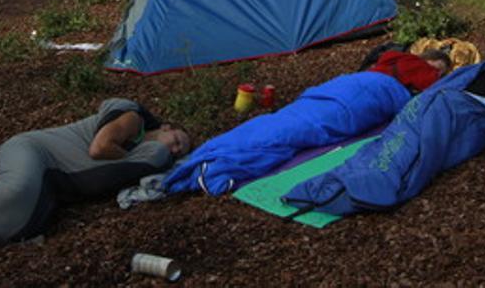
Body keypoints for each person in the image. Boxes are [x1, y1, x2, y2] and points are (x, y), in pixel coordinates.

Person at [0, 98, 190, 260]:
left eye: (179, 151)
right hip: (32, 151)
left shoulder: (145, 153)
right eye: (176, 140)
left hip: (51, 182)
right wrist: (148, 157)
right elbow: (99, 148)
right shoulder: (133, 120)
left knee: (23, 223)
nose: (174, 150)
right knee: (12, 197)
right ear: (165, 126)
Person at [284, 45, 485, 217]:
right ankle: (340, 188)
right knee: (394, 148)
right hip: (430, 106)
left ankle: (340, 188)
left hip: (437, 107)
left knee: (395, 151)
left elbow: (471, 113)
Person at [163, 46, 450, 196]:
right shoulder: (420, 68)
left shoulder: (390, 57)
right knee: (300, 130)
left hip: (340, 87)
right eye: (438, 67)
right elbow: (435, 94)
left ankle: (214, 151)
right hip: (361, 97)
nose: (437, 72)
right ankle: (216, 166)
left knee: (286, 121)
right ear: (427, 59)